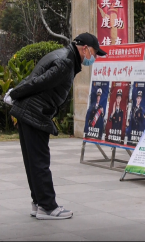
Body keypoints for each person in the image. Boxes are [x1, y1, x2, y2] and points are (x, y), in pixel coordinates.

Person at [5, 33, 106, 220]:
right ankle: (48, 207)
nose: (94, 57)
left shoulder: (62, 56)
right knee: (40, 162)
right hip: (35, 113)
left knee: (33, 162)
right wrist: (16, 93)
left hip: (29, 113)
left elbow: (35, 78)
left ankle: (38, 202)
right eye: (94, 53)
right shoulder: (66, 61)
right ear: (85, 48)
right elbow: (39, 82)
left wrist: (16, 93)